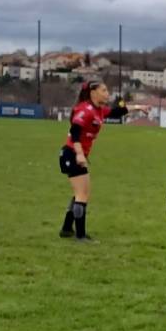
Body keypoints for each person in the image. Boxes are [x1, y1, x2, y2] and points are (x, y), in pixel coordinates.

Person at [58, 81, 135, 242]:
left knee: (81, 193)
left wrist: (138, 107)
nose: (108, 93)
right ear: (93, 92)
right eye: (104, 90)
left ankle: (66, 229)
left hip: (76, 154)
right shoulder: (85, 110)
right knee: (82, 194)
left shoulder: (97, 110)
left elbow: (115, 112)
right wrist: (79, 154)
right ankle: (80, 236)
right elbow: (75, 132)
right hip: (72, 154)